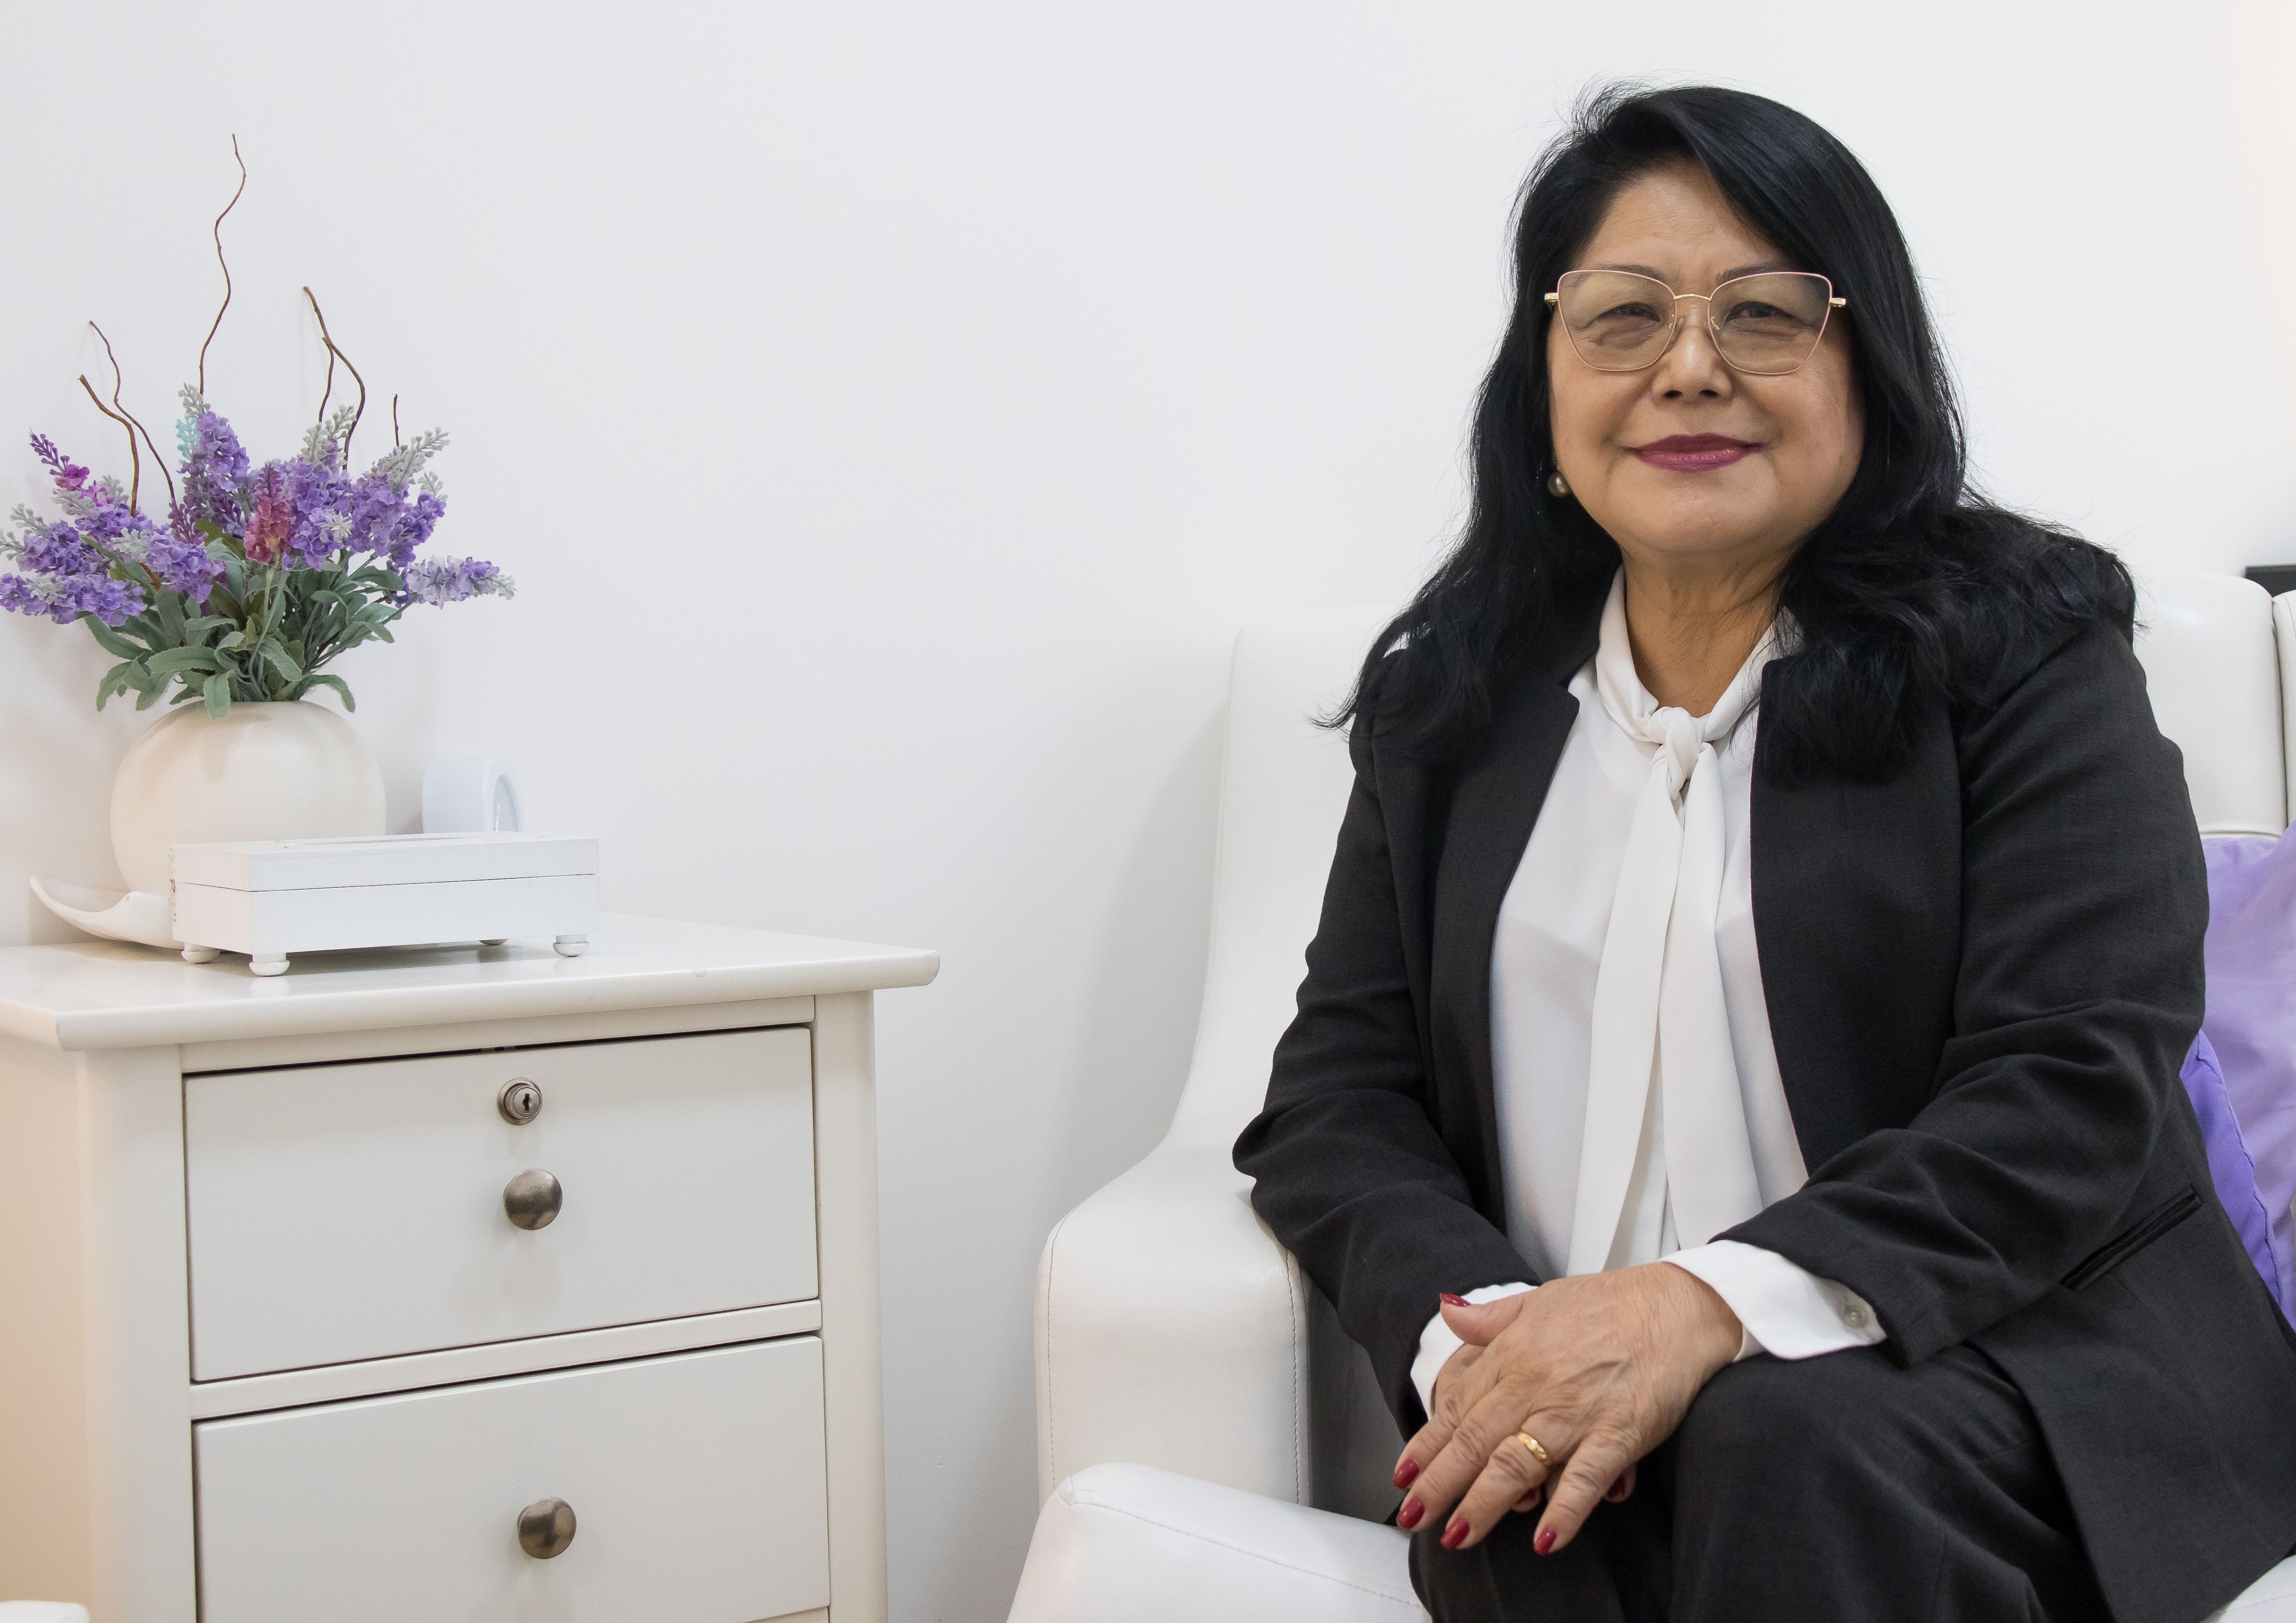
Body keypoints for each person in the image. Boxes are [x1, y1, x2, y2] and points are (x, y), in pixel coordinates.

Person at [1232, 84, 2296, 1623]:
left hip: (2003, 1368)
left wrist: (1698, 1308)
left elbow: (2071, 1079)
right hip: (1600, 1405)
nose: (1688, 366)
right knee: (1529, 1486)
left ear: (1870, 369)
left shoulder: (2030, 652)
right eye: (1623, 316)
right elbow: (1337, 1105)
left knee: (1779, 1437)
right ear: (1541, 381)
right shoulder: (1448, 701)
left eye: (1764, 312)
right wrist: (1493, 1342)